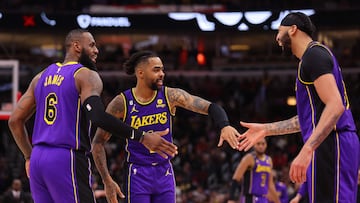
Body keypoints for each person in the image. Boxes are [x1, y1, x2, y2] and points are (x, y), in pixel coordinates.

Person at [7, 29, 177, 203]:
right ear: (77, 46)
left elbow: (14, 121)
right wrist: (141, 136)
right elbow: (97, 116)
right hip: (66, 158)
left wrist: (29, 156)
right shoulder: (85, 75)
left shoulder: (40, 77)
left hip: (38, 160)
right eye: (92, 45)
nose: (97, 50)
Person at [238, 12, 359, 203]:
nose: (277, 38)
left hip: (333, 142)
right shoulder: (310, 59)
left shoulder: (314, 55)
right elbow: (311, 117)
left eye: (279, 31)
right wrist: (267, 129)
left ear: (293, 29)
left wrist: (307, 149)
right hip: (330, 142)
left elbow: (336, 106)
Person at [91, 50, 241, 203]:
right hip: (137, 173)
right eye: (156, 69)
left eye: (162, 69)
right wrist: (107, 180)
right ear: (140, 73)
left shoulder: (170, 96)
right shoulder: (121, 102)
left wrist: (224, 125)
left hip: (164, 171)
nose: (162, 73)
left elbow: (210, 107)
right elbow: (97, 142)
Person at [227, 138, 280, 203]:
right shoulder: (249, 158)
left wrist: (278, 201)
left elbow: (270, 184)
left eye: (263, 144)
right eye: (258, 144)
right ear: (254, 144)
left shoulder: (269, 160)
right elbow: (236, 178)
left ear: (266, 145)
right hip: (250, 198)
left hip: (263, 198)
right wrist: (231, 199)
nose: (261, 146)